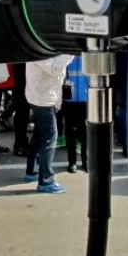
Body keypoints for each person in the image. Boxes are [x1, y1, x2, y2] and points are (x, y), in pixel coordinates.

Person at [24, 54, 74, 194]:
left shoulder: (39, 48)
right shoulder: (40, 51)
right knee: (50, 137)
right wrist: (69, 53)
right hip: (43, 99)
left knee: (39, 135)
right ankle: (46, 181)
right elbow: (55, 69)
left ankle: (31, 171)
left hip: (42, 97)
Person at [63, 56, 88, 173]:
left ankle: (86, 161)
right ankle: (72, 162)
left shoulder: (88, 53)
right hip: (69, 99)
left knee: (86, 133)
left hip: (86, 98)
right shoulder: (67, 54)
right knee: (70, 132)